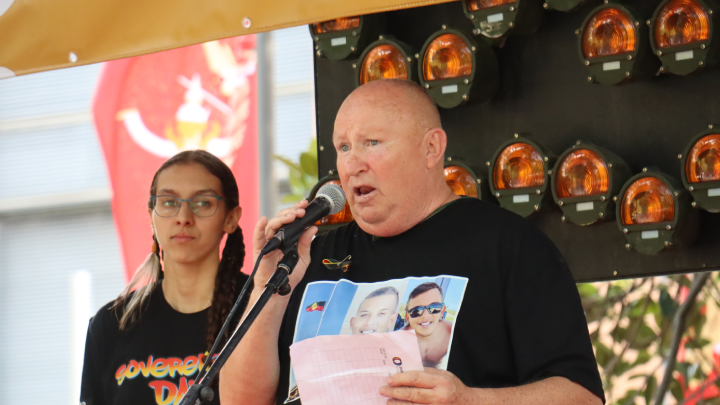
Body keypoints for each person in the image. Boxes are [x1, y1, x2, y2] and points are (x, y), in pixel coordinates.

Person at [220, 79, 605, 405]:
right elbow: (240, 400)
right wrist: (266, 289)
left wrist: (471, 400)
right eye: (343, 147)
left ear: (431, 148)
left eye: (372, 142)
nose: (354, 163)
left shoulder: (509, 247)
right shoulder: (310, 256)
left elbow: (580, 395)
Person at [80, 150, 248, 405]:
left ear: (231, 218)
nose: (183, 218)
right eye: (169, 202)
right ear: (151, 215)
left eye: (203, 203)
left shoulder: (261, 308)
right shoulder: (110, 325)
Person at [403, 283, 452, 368]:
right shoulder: (399, 339)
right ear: (407, 318)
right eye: (416, 311)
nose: (426, 315)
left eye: (434, 308)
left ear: (442, 311)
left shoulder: (450, 331)